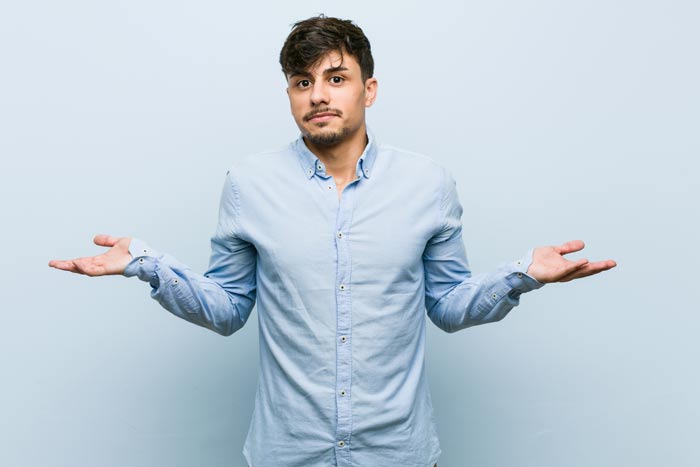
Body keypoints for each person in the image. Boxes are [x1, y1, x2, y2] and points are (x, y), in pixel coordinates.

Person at [48, 15, 616, 467]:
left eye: (335, 78)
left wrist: (523, 274)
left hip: (398, 453)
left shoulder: (428, 184)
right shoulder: (249, 184)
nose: (318, 95)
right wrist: (147, 264)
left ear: (369, 90)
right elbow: (226, 309)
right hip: (288, 452)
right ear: (291, 93)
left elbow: (447, 305)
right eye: (303, 82)